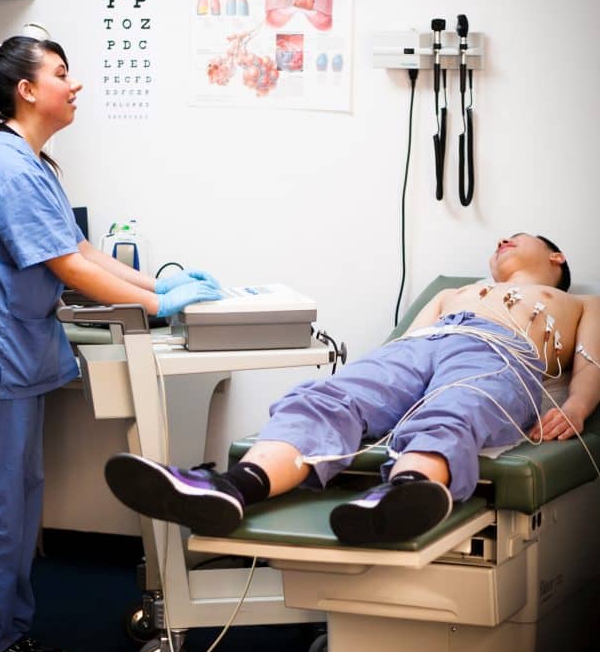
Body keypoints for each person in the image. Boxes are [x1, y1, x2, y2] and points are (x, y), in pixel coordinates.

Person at [0, 35, 223, 652]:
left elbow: (82, 250)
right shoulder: (6, 165)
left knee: (14, 500)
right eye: (62, 74)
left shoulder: (26, 160)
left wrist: (162, 288)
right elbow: (66, 267)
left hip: (7, 356)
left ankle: (2, 632)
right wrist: (160, 310)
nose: (74, 84)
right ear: (26, 90)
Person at [105, 233, 600, 546]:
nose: (500, 243)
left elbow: (590, 362)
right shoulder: (453, 293)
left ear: (556, 255)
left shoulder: (580, 303)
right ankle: (231, 488)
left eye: (514, 239)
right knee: (325, 398)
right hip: (420, 347)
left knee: (456, 408)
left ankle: (402, 493)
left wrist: (577, 405)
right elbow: (405, 346)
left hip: (500, 354)